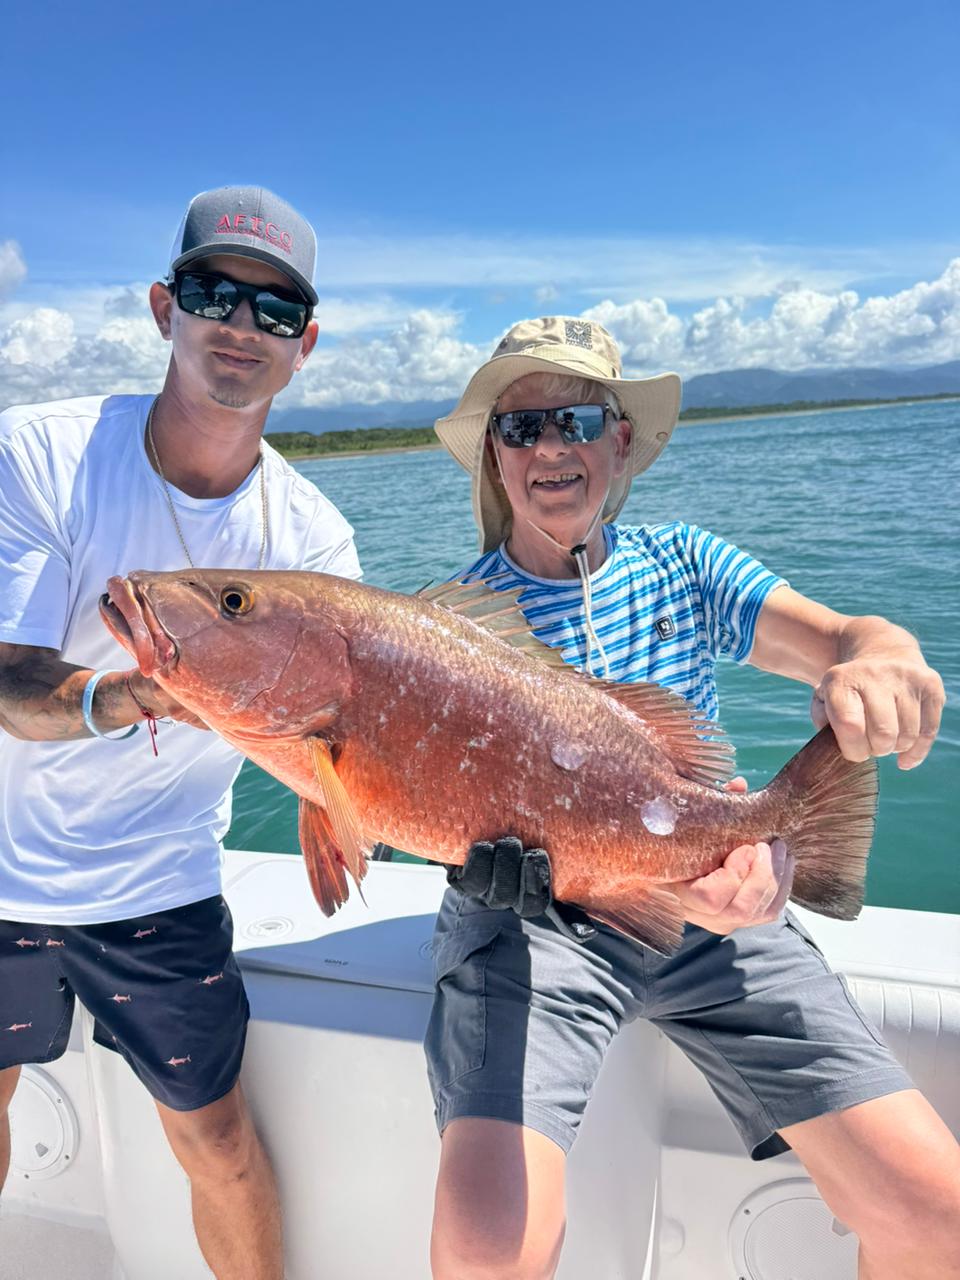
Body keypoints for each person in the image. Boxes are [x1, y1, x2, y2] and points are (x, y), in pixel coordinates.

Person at [425, 316, 959, 1280]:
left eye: (578, 418)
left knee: (939, 1217)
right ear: (496, 460)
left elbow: (842, 636)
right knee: (485, 1253)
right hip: (530, 928)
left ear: (619, 439)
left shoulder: (684, 564)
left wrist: (883, 655)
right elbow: (408, 797)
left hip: (708, 909)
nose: (550, 446)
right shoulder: (449, 627)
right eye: (521, 428)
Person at [0, 185, 360, 1280]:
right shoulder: (41, 454)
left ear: (305, 345)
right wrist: (130, 698)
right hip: (0, 877)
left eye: (272, 309)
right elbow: (9, 676)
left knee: (215, 1140)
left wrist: (357, 803)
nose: (239, 325)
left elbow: (341, 738)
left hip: (161, 887)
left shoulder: (313, 537)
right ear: (166, 306)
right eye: (214, 292)